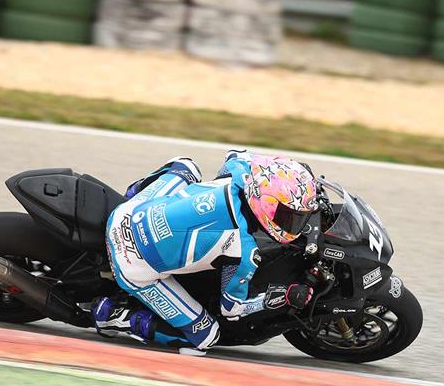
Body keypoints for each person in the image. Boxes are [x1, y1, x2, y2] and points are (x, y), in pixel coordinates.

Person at [93, 150, 318, 355]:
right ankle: (114, 317)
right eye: (289, 217)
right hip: (133, 263)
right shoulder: (243, 250)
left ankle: (132, 193)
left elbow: (236, 155)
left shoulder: (238, 171)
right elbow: (232, 308)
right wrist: (284, 296)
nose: (294, 224)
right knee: (204, 336)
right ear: (266, 205)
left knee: (186, 166)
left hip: (127, 213)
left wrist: (292, 174)